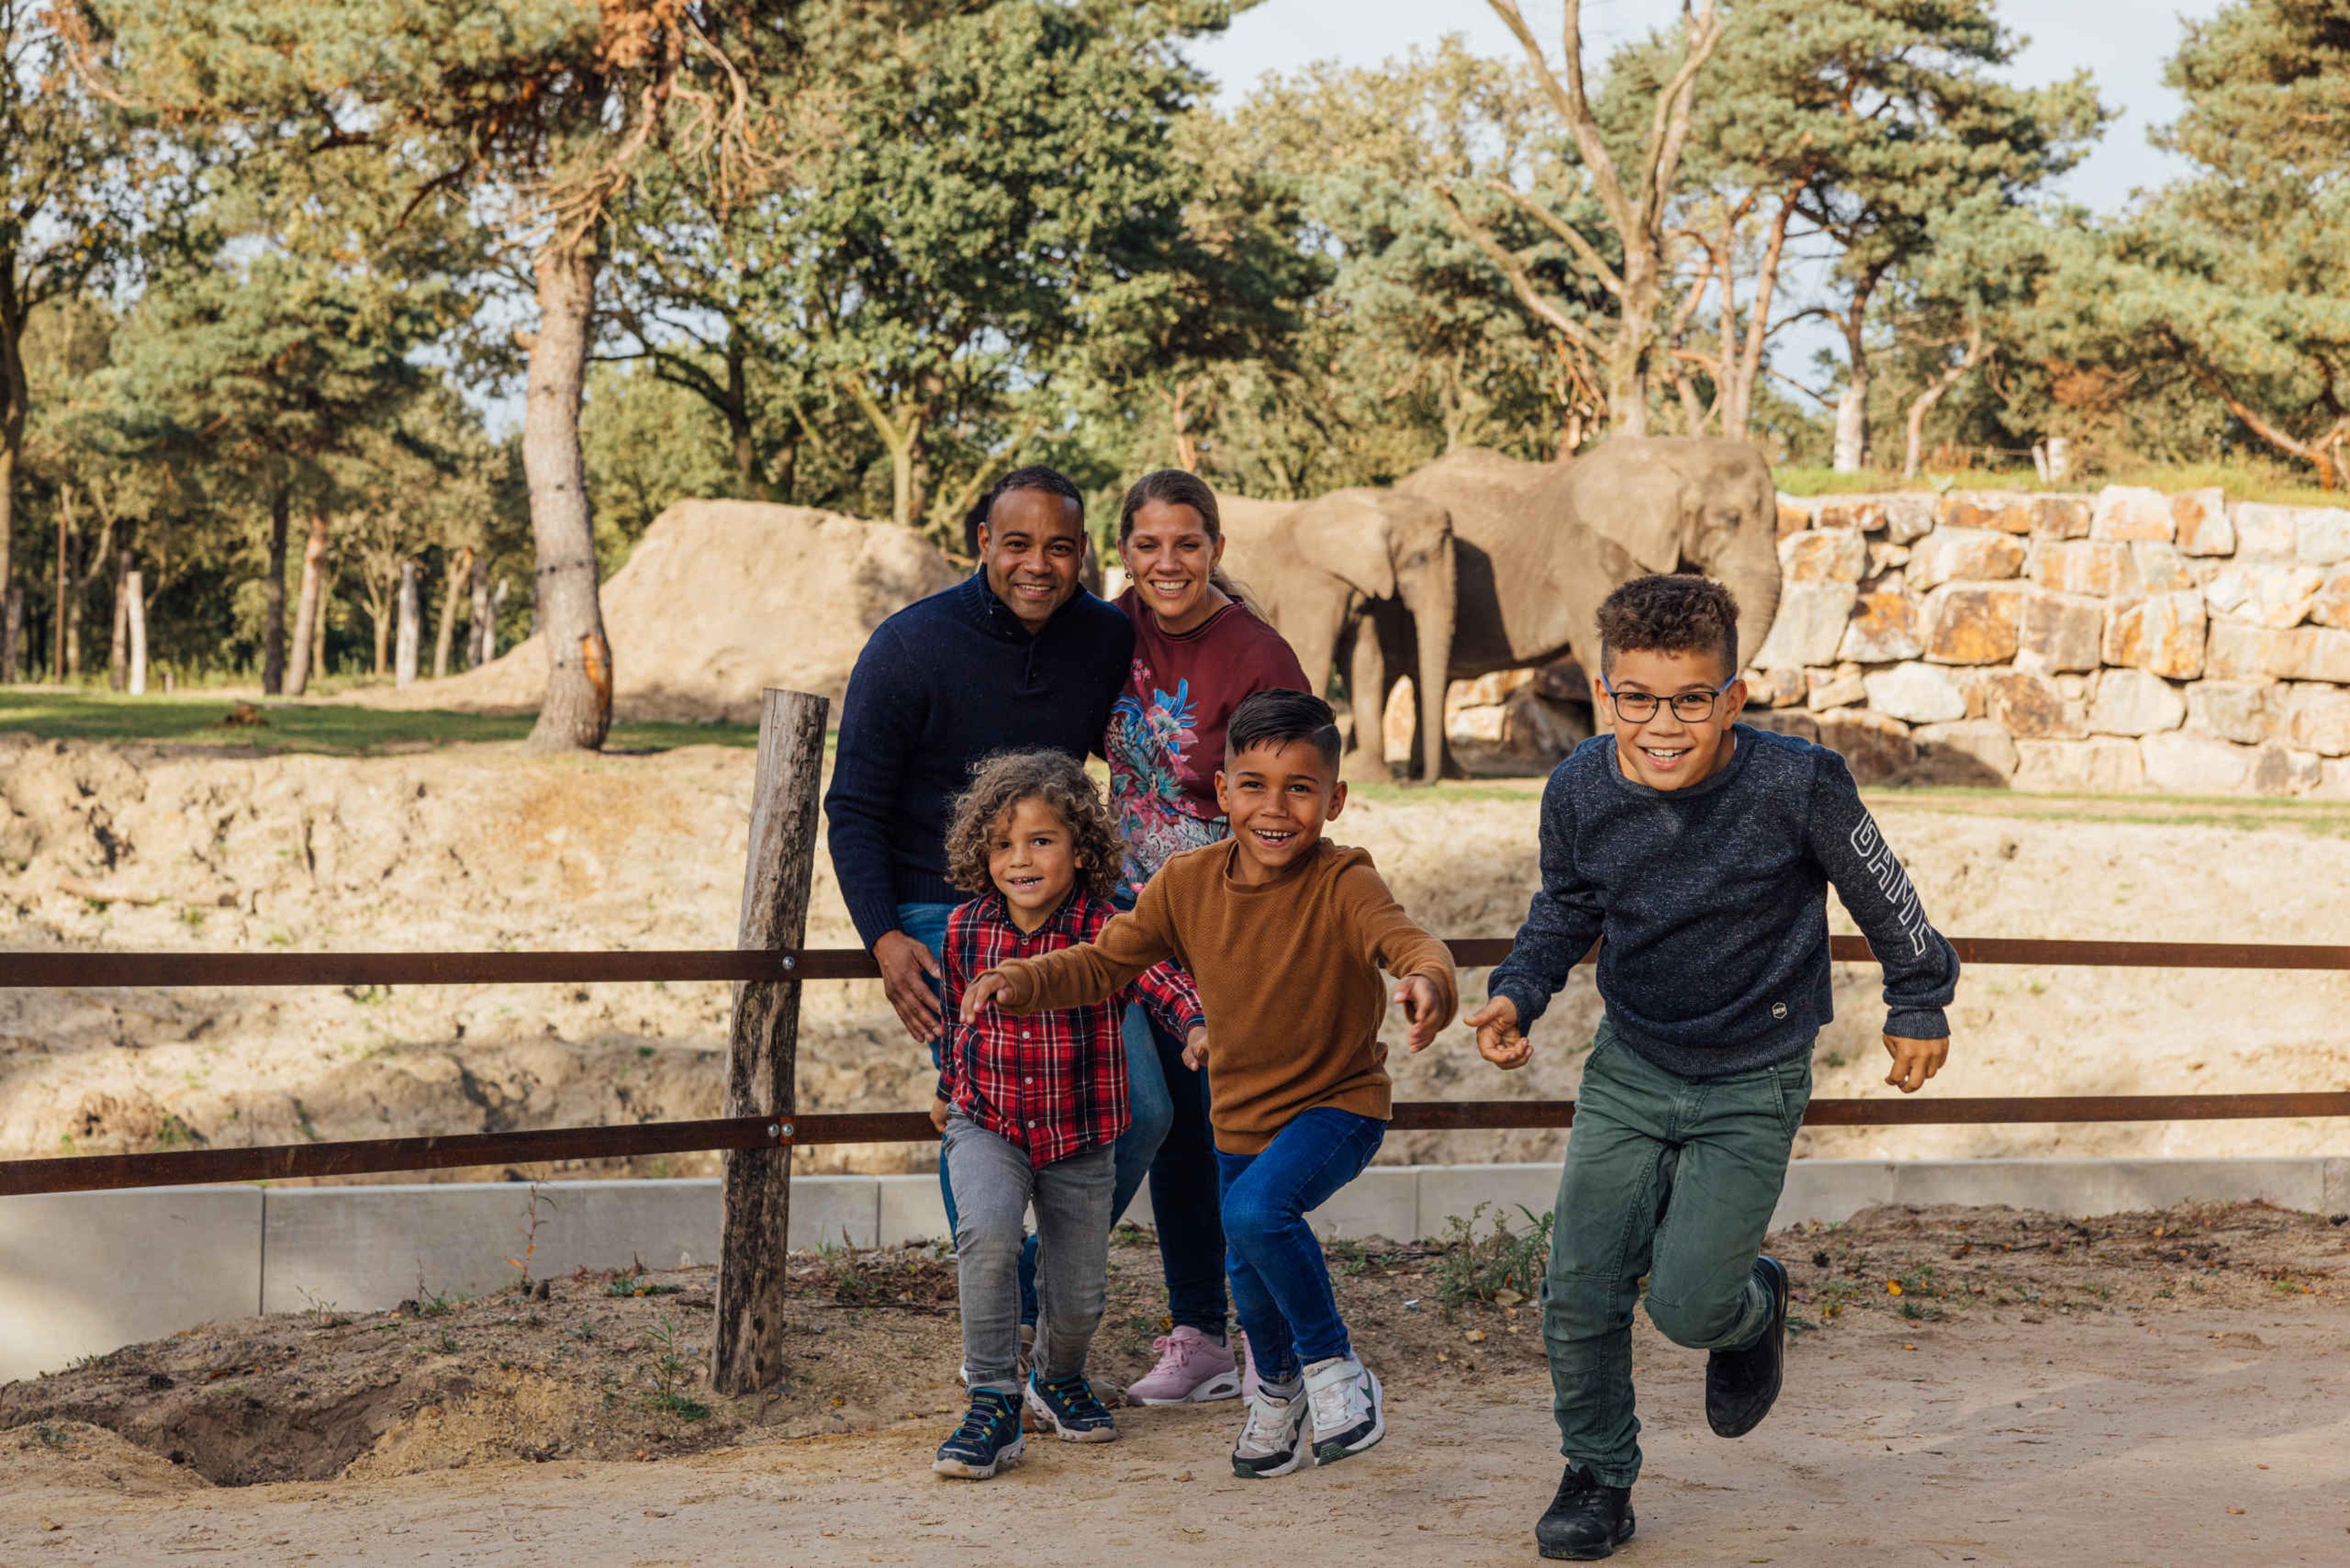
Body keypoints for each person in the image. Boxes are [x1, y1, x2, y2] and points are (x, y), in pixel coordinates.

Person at [1463, 574, 1960, 1561]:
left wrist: (1917, 999)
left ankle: (1750, 1309)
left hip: (1754, 1074)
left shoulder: (1798, 783)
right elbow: (1566, 906)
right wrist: (1518, 991)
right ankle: (1598, 1473)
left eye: (1691, 699)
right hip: (1633, 1063)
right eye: (1638, 699)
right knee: (1579, 1287)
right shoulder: (1579, 788)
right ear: (1603, 694)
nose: (1663, 724)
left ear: (1733, 696)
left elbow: (1886, 894)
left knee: (1689, 1305)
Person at [960, 690, 1458, 1479]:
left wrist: (1427, 980)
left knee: (1256, 1214)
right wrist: (1022, 979)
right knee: (1246, 1269)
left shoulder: (1346, 882)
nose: (1275, 808)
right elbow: (1105, 962)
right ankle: (1278, 1393)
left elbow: (1407, 941)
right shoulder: (1188, 883)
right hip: (1241, 1118)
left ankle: (1336, 1368)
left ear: (1335, 800)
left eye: (1301, 788)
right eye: (1254, 785)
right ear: (1223, 792)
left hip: (1338, 1105)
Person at [824, 466, 1162, 1348]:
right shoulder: (908, 646)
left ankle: (1041, 1274)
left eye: (1060, 547)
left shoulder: (1102, 637)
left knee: (1146, 1106)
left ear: (1084, 553)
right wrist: (884, 937)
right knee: (983, 1106)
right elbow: (852, 807)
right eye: (1017, 544)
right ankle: (1003, 1322)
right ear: (982, 542)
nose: (1038, 565)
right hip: (939, 912)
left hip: (1063, 908)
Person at [929, 752, 1207, 1479]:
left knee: (1079, 1295)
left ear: (1081, 849)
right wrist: (948, 1088)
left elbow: (1162, 979)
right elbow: (957, 1023)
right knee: (988, 1239)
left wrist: (1196, 1023)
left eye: (1041, 840)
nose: (1020, 859)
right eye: (1002, 844)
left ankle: (1056, 1378)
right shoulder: (964, 929)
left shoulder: (1107, 927)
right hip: (988, 1121)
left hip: (1081, 1134)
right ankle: (993, 1401)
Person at [1105, 468, 1311, 1408]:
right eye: (1148, 544)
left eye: (1187, 543)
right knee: (1173, 1133)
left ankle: (1278, 1339)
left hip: (1229, 920)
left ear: (1216, 549)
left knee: (1243, 1133)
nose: (1168, 562)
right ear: (1125, 552)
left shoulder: (1258, 653)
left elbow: (1293, 793)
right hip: (1132, 922)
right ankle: (1200, 1336)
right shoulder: (1106, 632)